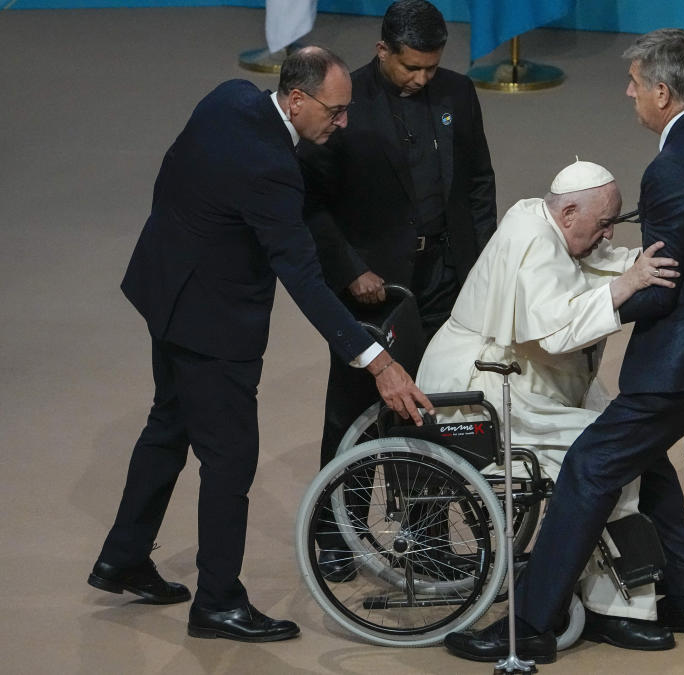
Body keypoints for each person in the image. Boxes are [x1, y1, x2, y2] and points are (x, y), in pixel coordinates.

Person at [444, 28, 684, 664]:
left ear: (662, 91)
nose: (627, 92)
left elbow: (659, 287)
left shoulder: (671, 168)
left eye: (634, 83)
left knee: (589, 466)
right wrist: (618, 273)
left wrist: (592, 294)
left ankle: (531, 627)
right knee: (646, 460)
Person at [86, 47, 433, 643]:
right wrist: (376, 359)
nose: (342, 123)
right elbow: (302, 274)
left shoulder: (227, 98)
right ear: (297, 100)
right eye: (336, 111)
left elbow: (173, 176)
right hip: (214, 327)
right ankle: (218, 601)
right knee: (230, 460)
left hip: (164, 291)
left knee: (168, 425)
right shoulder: (272, 169)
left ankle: (124, 557)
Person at [417, 160, 681, 651]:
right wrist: (629, 283)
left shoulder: (549, 225)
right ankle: (615, 607)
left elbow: (586, 267)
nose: (607, 235)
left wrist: (639, 264)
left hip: (516, 378)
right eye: (602, 224)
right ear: (569, 212)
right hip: (481, 392)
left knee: (630, 442)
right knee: (612, 456)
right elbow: (556, 330)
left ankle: (634, 592)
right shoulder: (532, 239)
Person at [298, 0, 497, 489]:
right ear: (382, 49)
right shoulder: (344, 102)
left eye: (431, 66)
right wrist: (349, 269)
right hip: (374, 289)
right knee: (353, 409)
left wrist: (482, 262)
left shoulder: (458, 92)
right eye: (412, 66)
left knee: (434, 406)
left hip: (446, 278)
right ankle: (336, 531)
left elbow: (478, 184)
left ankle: (425, 535)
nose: (423, 78)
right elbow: (311, 203)